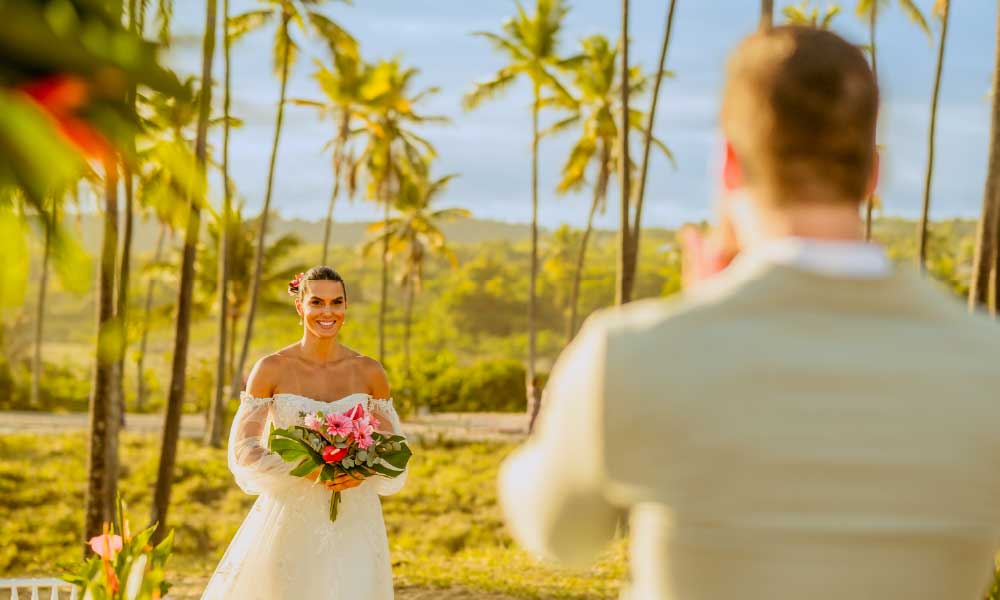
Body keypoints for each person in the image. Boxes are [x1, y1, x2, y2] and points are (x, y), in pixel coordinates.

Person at [498, 26, 1000, 600]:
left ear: (731, 164)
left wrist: (699, 313)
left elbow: (558, 535)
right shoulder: (988, 359)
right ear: (872, 175)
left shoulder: (634, 351)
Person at [201, 266, 406, 600]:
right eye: (317, 302)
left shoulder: (369, 371)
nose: (328, 312)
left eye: (336, 302)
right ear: (300, 306)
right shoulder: (271, 368)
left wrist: (361, 469)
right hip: (290, 515)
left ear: (345, 307)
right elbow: (245, 445)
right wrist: (306, 466)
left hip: (355, 516)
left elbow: (393, 444)